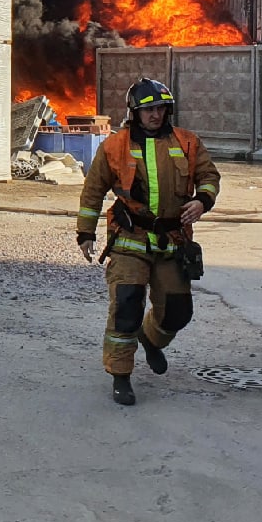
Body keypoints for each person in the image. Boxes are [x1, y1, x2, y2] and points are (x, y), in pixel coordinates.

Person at [75, 77, 221, 406]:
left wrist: (203, 201)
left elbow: (209, 177)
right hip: (130, 238)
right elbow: (93, 191)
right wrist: (85, 232)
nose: (155, 114)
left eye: (160, 108)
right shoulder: (115, 146)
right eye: (148, 109)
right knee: (127, 305)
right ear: (134, 112)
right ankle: (121, 376)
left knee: (178, 313)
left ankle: (151, 337)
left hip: (172, 242)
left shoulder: (187, 142)